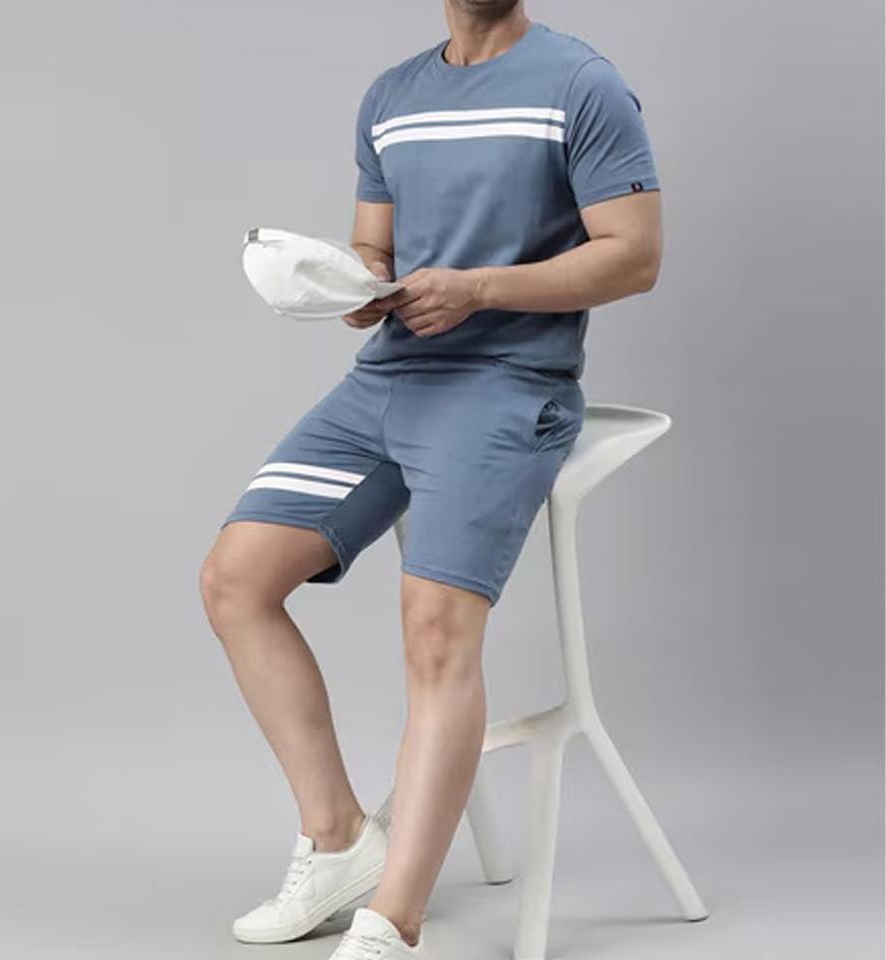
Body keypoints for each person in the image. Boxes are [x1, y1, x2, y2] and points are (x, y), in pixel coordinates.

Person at [199, 1, 662, 956]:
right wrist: (353, 285)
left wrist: (480, 287)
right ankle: (338, 840)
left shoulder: (582, 85)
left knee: (437, 633)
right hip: (388, 382)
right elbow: (376, 246)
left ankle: (394, 919)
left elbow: (635, 256)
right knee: (235, 580)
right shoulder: (391, 97)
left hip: (509, 384)